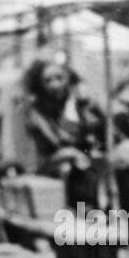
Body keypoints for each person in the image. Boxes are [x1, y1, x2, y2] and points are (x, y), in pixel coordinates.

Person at [23, 58, 106, 205]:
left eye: (59, 78)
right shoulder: (36, 111)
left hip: (84, 157)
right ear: (41, 85)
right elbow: (54, 143)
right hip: (48, 163)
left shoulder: (81, 103)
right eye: (48, 80)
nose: (55, 84)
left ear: (67, 80)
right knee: (75, 161)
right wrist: (70, 151)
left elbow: (102, 128)